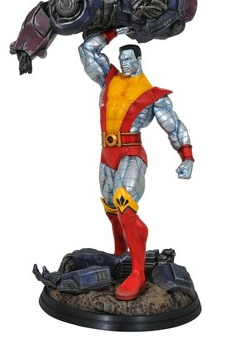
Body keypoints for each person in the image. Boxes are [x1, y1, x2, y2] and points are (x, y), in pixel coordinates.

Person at [78, 27, 194, 300]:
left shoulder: (152, 95)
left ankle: (138, 273)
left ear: (140, 60)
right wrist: (113, 32)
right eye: (122, 59)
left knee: (124, 204)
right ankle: (120, 255)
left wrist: (187, 157)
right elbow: (86, 50)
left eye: (130, 59)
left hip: (131, 153)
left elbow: (174, 126)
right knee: (111, 208)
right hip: (107, 153)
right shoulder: (109, 79)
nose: (125, 63)